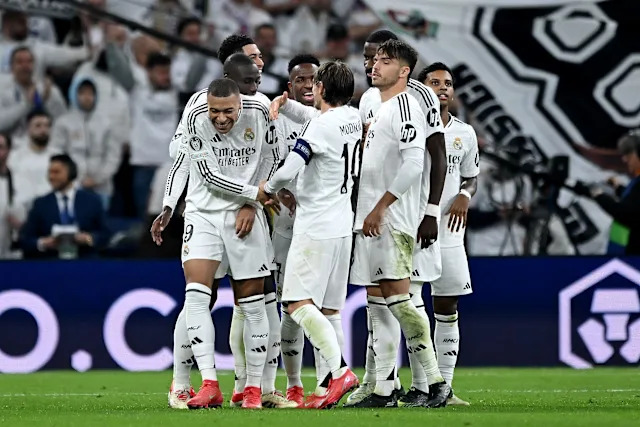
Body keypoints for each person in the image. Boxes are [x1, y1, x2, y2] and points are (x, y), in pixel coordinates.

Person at [152, 78, 277, 410]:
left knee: (253, 305)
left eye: (228, 111)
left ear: (240, 103)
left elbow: (273, 156)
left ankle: (253, 388)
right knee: (195, 297)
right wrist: (168, 205)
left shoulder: (261, 111)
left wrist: (251, 203)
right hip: (203, 214)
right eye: (215, 111)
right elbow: (201, 173)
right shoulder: (195, 115)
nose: (220, 118)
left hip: (243, 217)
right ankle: (209, 383)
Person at [346, 29, 449, 408]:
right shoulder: (378, 105)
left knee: (400, 300)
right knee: (378, 305)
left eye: (385, 61)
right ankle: (383, 389)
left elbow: (414, 164)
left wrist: (382, 207)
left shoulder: (407, 106)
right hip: (370, 221)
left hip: (391, 220)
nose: (374, 66)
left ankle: (436, 382)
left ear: (404, 71)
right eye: (374, 60)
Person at [258, 60, 361, 409]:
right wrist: (286, 104)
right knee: (330, 311)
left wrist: (267, 187)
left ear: (320, 88)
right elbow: (312, 114)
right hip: (342, 226)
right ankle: (323, 388)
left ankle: (340, 371)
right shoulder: (352, 118)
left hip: (315, 226)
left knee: (296, 303)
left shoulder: (319, 127)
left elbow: (290, 167)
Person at [415, 62, 480, 406]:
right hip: (414, 226)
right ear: (421, 88)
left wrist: (465, 195)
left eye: (448, 83)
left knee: (447, 304)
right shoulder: (410, 127)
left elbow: (471, 176)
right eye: (435, 82)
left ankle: (446, 388)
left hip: (450, 231)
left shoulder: (465, 133)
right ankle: (420, 386)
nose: (443, 88)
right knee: (411, 306)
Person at [272, 53, 321, 406]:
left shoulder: (334, 119)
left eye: (312, 80)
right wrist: (278, 190)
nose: (306, 85)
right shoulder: (276, 119)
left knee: (319, 306)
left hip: (321, 225)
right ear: (290, 85)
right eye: (299, 80)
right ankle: (293, 383)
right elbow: (264, 162)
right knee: (289, 304)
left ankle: (326, 381)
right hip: (286, 227)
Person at [110, 51, 179, 219]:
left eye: (167, 72)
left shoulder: (178, 94)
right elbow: (119, 69)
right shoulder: (137, 92)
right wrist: (113, 44)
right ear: (149, 73)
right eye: (160, 72)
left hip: (167, 164)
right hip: (142, 162)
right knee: (143, 214)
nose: (165, 77)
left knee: (165, 214)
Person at [49, 78, 122, 210]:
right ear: (74, 95)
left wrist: (98, 179)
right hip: (72, 184)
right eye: (82, 93)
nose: (87, 97)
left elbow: (113, 156)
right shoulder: (63, 122)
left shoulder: (107, 123)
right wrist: (73, 178)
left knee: (98, 220)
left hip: (101, 186)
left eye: (90, 93)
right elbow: (57, 153)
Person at [20, 154, 109, 259]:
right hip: (51, 262)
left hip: (84, 261)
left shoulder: (91, 201)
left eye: (56, 172)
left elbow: (105, 235)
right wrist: (44, 243)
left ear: (71, 173)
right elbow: (25, 240)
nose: (51, 177)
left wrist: (88, 239)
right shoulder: (40, 204)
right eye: (49, 172)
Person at [572, 130, 640, 255]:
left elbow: (624, 213)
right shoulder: (636, 181)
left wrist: (598, 195)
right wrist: (617, 187)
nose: (624, 159)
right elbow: (633, 201)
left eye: (628, 155)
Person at [0, 46, 67, 140]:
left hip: (45, 141)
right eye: (20, 62)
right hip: (13, 143)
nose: (25, 66)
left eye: (29, 62)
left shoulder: (48, 89)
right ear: (11, 66)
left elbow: (64, 123)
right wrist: (26, 105)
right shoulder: (2, 89)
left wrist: (48, 102)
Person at [8, 111, 56, 210]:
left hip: (52, 209)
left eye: (46, 126)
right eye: (38, 126)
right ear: (28, 129)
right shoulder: (14, 157)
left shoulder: (59, 156)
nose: (43, 130)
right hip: (22, 208)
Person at [0, 134, 21, 258]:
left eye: (0, 147)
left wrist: (21, 224)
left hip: (10, 253)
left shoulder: (20, 180)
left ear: (8, 150)